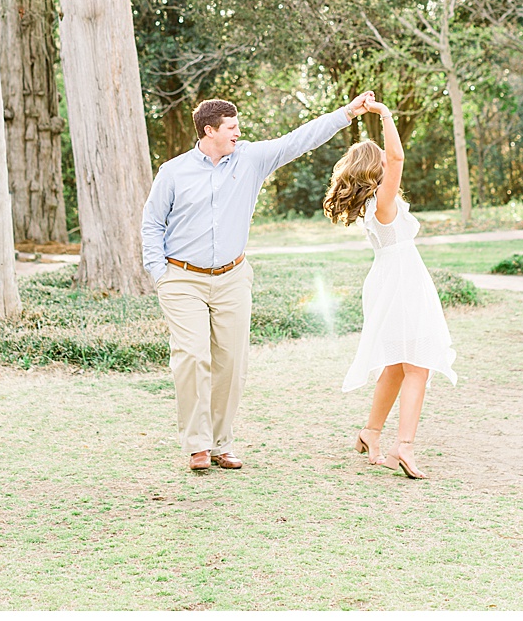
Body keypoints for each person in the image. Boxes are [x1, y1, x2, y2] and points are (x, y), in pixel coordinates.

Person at [142, 93, 372, 472]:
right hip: (182, 277)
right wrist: (159, 274)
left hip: (233, 277)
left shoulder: (250, 159)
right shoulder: (173, 172)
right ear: (209, 131)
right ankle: (197, 446)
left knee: (232, 362)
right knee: (193, 357)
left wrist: (347, 113)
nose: (238, 132)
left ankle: (221, 443)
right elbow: (151, 223)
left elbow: (300, 139)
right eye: (231, 127)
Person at [325, 95, 457, 479]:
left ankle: (370, 433)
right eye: (383, 153)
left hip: (395, 279)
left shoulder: (376, 203)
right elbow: (398, 159)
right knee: (418, 366)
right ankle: (404, 447)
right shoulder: (382, 203)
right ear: (376, 165)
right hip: (401, 281)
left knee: (398, 368)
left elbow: (394, 160)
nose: (389, 154)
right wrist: (384, 113)